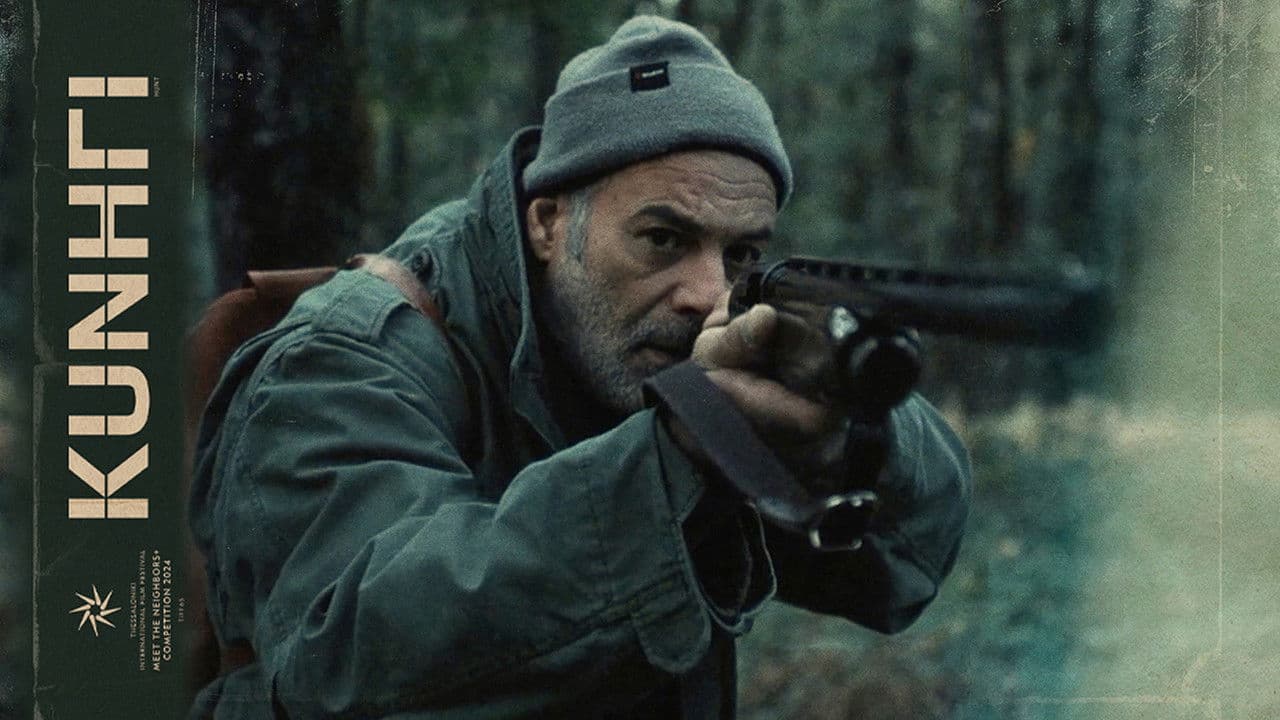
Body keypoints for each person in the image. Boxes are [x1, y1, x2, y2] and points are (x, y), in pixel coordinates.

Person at [189, 15, 971, 719]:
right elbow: (350, 658)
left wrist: (847, 426)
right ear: (548, 221)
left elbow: (907, 564)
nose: (708, 294)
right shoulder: (347, 353)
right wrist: (681, 454)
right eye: (663, 239)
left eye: (740, 254)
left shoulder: (648, 338)